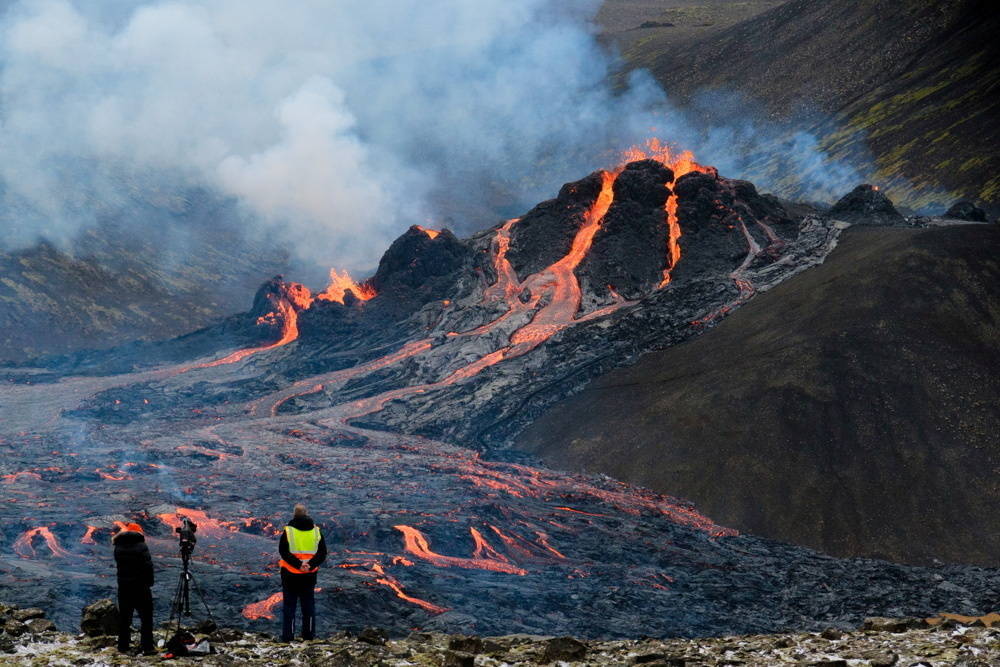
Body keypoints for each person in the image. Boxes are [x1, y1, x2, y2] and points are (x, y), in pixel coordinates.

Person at [278, 503, 328, 642]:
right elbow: (322, 553)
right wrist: (310, 565)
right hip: (309, 575)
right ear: (307, 513)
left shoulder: (288, 532)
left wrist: (298, 565)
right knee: (308, 605)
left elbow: (283, 551)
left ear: (294, 514)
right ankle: (308, 636)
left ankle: (288, 637)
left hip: (290, 574)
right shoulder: (316, 532)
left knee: (289, 606)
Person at [112, 522, 155, 655]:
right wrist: (150, 583)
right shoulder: (142, 546)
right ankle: (147, 647)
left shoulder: (118, 547)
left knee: (125, 619)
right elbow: (148, 566)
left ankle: (123, 646)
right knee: (146, 618)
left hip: (124, 588)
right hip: (141, 587)